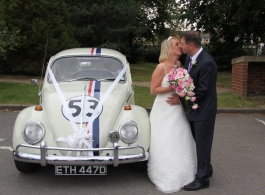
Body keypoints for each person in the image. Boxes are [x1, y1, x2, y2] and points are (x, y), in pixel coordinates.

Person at [147, 36, 197, 193]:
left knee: (180, 138)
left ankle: (185, 174)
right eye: (177, 45)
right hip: (163, 109)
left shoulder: (180, 65)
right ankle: (165, 174)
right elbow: (153, 90)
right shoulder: (161, 67)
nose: (180, 47)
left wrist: (181, 91)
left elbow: (182, 87)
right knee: (165, 139)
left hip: (176, 109)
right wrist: (173, 86)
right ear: (169, 48)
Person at [173, 30, 217, 191]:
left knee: (203, 143)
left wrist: (181, 97)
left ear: (191, 45)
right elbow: (187, 79)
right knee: (198, 142)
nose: (181, 46)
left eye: (182, 43)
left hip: (204, 110)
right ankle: (207, 168)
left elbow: (203, 90)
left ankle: (203, 179)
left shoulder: (207, 63)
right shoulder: (189, 58)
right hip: (193, 109)